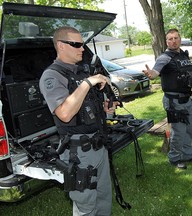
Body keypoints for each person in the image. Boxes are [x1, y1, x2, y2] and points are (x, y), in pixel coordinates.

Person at [40, 26, 116, 216]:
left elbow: (87, 110)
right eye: (76, 44)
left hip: (98, 146)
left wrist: (107, 111)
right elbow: (64, 114)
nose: (82, 48)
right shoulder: (51, 76)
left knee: (104, 199)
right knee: (86, 207)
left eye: (83, 44)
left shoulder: (81, 72)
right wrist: (87, 83)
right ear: (61, 46)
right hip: (79, 154)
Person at [143, 28, 192, 170]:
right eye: (170, 39)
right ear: (166, 41)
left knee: (189, 129)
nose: (173, 41)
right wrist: (150, 73)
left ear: (180, 39)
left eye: (176, 38)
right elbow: (155, 72)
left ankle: (188, 155)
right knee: (178, 131)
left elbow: (189, 75)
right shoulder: (164, 57)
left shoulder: (183, 55)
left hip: (186, 99)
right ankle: (175, 158)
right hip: (174, 101)